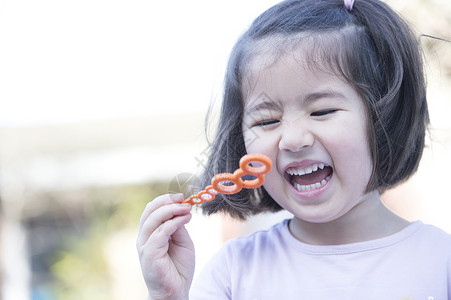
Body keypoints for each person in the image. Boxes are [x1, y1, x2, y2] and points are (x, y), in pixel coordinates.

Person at [136, 0, 451, 299]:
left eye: (322, 111)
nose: (293, 139)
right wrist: (167, 295)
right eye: (268, 120)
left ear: (382, 116)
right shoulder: (234, 271)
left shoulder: (440, 261)